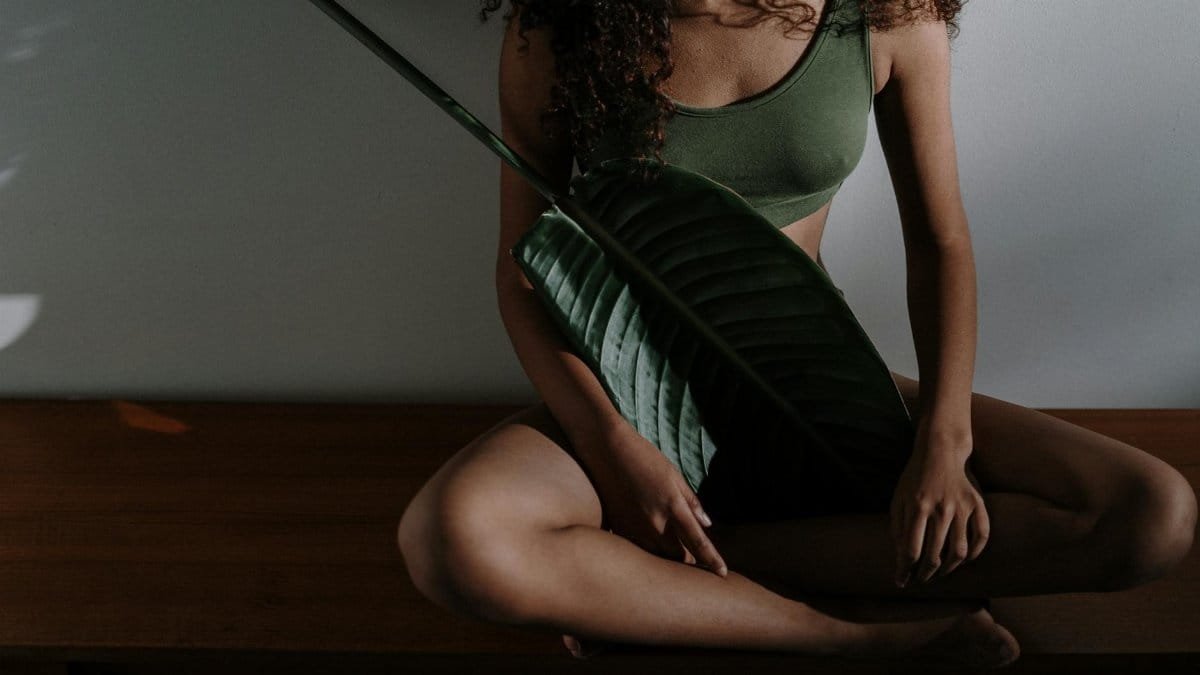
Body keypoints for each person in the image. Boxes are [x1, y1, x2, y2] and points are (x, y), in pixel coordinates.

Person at [397, 0, 1197, 667]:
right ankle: (850, 638)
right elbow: (522, 270)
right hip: (627, 393)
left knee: (1148, 513)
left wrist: (943, 444)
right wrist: (610, 444)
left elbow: (940, 240)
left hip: (809, 393)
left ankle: (657, 577)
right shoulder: (563, 27)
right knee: (451, 537)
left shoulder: (885, 13)